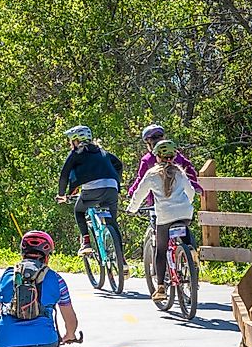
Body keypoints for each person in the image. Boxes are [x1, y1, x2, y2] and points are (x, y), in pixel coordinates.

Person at [129, 139, 203, 292]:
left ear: (157, 157)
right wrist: (185, 203)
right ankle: (190, 251)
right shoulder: (180, 172)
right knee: (185, 231)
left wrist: (132, 209)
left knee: (161, 251)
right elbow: (190, 192)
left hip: (165, 216)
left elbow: (139, 194)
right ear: (174, 156)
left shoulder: (151, 174)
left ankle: (161, 287)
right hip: (184, 213)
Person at [57, 125, 126, 248]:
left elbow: (64, 174)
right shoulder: (102, 151)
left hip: (91, 190)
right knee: (112, 222)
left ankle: (86, 241)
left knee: (78, 211)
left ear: (76, 140)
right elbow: (118, 164)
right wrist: (116, 181)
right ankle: (122, 259)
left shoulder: (76, 153)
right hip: (111, 188)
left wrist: (62, 194)